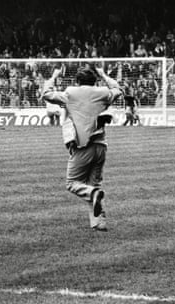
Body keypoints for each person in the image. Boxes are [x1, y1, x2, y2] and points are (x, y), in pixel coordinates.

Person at [42, 66, 123, 231]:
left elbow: (46, 94)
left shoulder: (71, 93)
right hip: (101, 145)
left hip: (82, 145)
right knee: (94, 184)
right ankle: (98, 223)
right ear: (95, 81)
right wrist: (104, 74)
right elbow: (117, 89)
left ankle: (94, 197)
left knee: (72, 183)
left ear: (78, 82)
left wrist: (54, 76)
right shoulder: (103, 93)